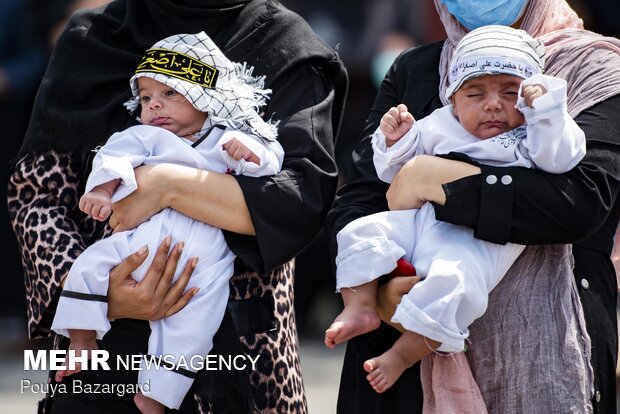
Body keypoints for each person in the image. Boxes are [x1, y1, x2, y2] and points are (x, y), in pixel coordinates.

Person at [8, 1, 347, 413]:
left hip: (241, 353)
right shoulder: (94, 36)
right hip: (99, 349)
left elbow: (300, 201)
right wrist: (101, 295)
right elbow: (36, 193)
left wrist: (168, 186)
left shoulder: (285, 43)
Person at [324, 0, 620, 413]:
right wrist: (385, 289)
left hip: (543, 354)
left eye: (508, 93)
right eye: (476, 93)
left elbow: (579, 202)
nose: (494, 104)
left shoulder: (595, 68)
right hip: (401, 369)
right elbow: (362, 195)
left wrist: (435, 181)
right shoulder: (417, 69)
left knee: (456, 277)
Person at [50, 32, 284, 413]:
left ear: (207, 95)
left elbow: (271, 161)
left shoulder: (229, 137)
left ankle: (156, 396)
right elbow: (114, 157)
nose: (154, 105)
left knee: (194, 328)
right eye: (145, 98)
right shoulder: (145, 136)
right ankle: (80, 340)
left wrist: (251, 154)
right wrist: (104, 192)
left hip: (205, 259)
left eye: (170, 93)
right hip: (144, 240)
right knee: (88, 266)